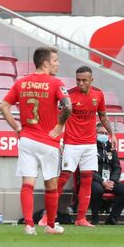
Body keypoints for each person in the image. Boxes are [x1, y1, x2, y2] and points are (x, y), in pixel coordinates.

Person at [0, 46, 70, 236]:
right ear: (46, 62)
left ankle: (29, 226)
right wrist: (60, 126)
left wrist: (16, 127)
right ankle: (51, 225)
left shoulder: (21, 83)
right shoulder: (55, 83)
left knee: (27, 183)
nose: (58, 64)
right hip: (49, 141)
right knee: (51, 184)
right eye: (55, 60)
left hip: (27, 139)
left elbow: (4, 106)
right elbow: (68, 106)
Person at [43, 65, 116, 227]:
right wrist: (59, 139)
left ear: (91, 80)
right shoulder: (69, 96)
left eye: (84, 80)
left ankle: (81, 218)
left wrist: (112, 134)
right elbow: (58, 119)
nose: (80, 83)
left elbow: (103, 116)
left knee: (87, 180)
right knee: (62, 178)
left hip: (90, 144)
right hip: (72, 143)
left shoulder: (98, 94)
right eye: (78, 80)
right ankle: (48, 215)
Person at [87, 124, 124, 225]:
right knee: (97, 189)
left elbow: (117, 167)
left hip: (109, 180)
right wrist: (102, 181)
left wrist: (113, 180)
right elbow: (88, 169)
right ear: (94, 133)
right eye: (101, 133)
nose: (103, 135)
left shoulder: (111, 147)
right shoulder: (89, 147)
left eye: (106, 133)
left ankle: (112, 218)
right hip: (94, 180)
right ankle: (95, 218)